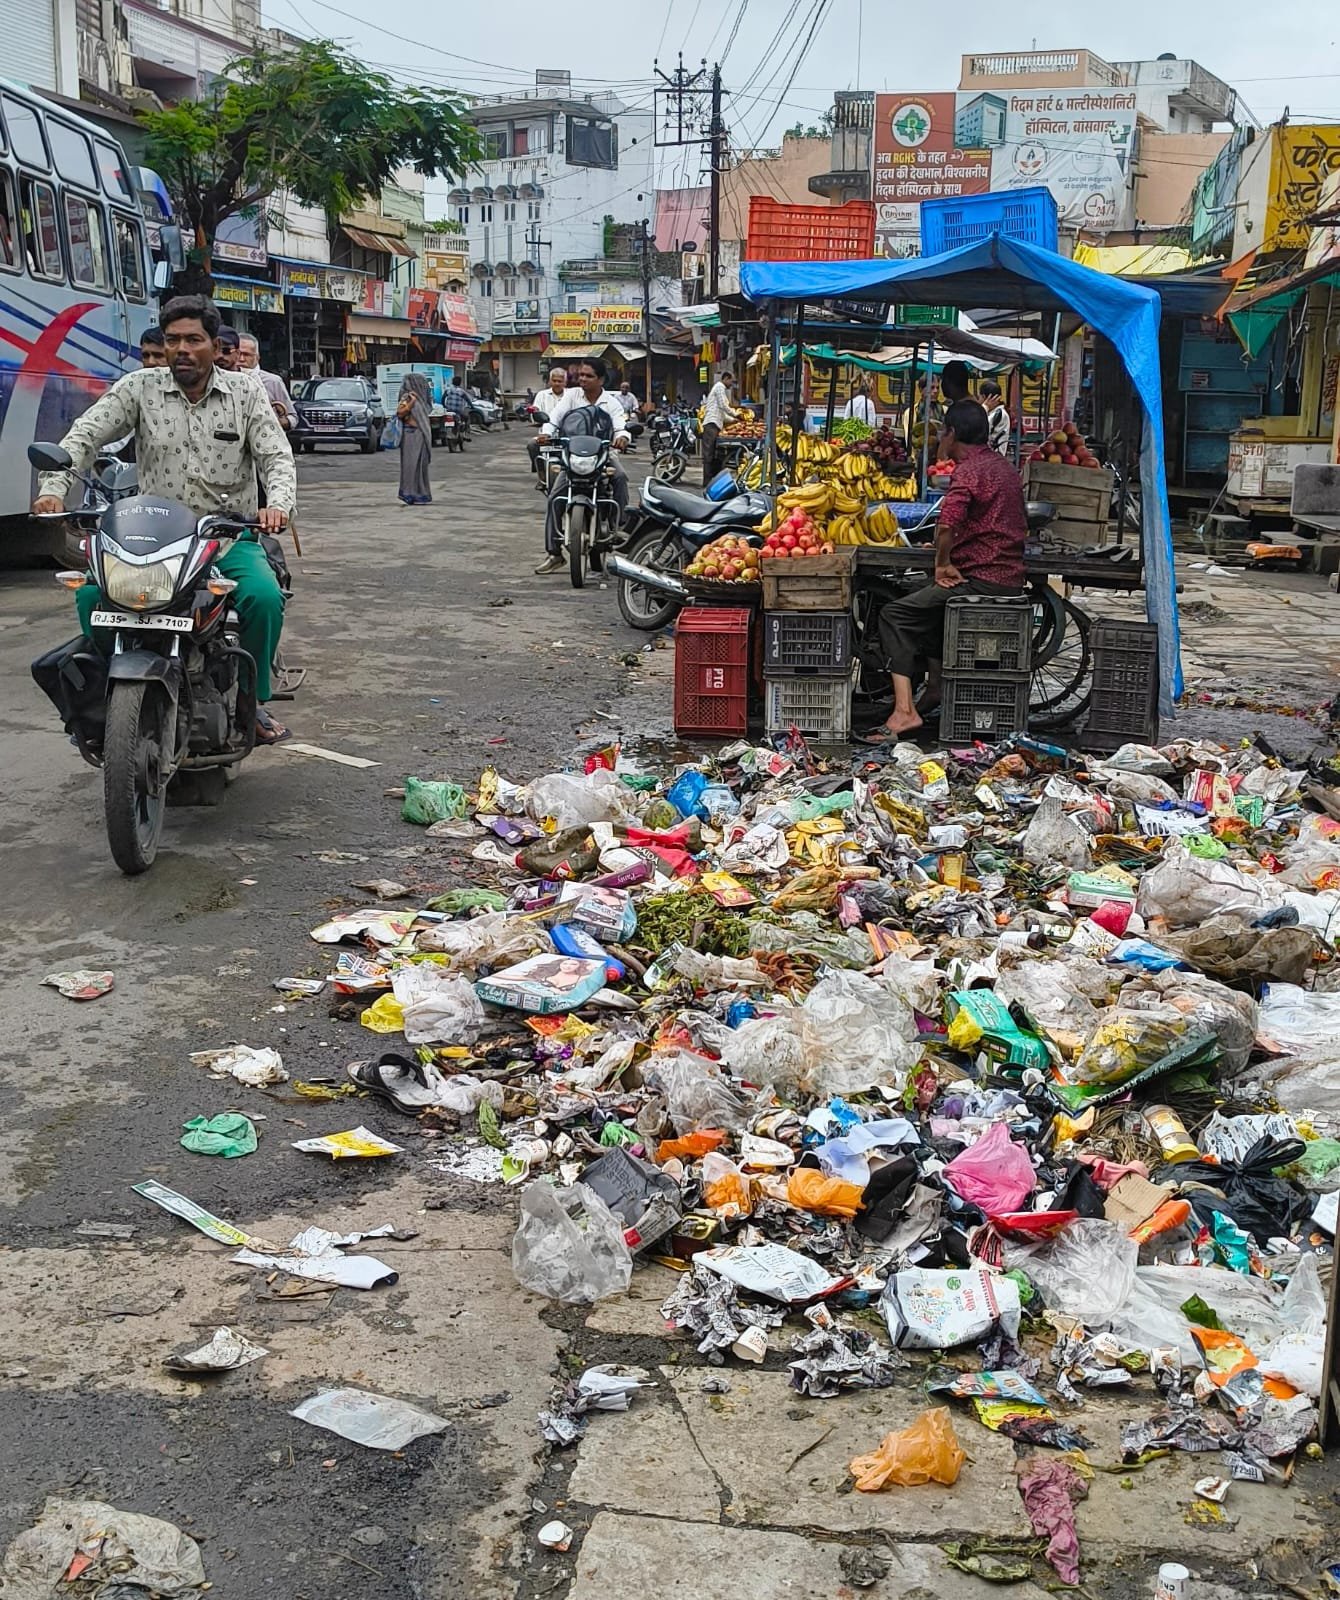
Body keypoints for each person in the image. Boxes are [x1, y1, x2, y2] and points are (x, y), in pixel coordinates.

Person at [31, 293, 297, 744]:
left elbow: (277, 457)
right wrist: (53, 490)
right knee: (91, 595)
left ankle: (252, 702)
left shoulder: (246, 393)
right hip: (152, 539)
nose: (182, 349)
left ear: (215, 345)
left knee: (264, 597)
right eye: (173, 339)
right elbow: (87, 434)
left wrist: (278, 506)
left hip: (225, 538)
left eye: (194, 339)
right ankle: (109, 691)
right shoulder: (140, 387)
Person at [869, 400, 1028, 741]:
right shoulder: (1004, 467)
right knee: (924, 605)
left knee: (895, 615)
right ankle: (936, 687)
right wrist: (949, 553)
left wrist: (942, 563)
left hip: (983, 579)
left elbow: (947, 525)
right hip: (1006, 574)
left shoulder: (968, 471)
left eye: (943, 430)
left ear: (952, 434)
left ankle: (904, 711)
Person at [534, 355, 630, 575]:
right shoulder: (571, 397)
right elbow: (554, 419)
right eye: (581, 375)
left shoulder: (611, 403)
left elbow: (620, 425)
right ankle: (554, 553)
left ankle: (619, 527)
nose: (583, 379)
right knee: (555, 497)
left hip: (603, 455)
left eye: (589, 376)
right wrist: (546, 434)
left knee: (621, 477)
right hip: (573, 457)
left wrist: (623, 436)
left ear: (601, 380)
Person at [238, 333, 297, 431]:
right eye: (238, 354)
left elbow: (293, 418)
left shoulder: (272, 381)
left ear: (257, 357)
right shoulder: (223, 380)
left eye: (247, 354)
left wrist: (281, 422)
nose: (241, 359)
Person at [528, 367, 572, 486]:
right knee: (532, 445)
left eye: (560, 381)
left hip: (568, 436)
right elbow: (536, 412)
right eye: (554, 380)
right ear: (550, 381)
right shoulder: (541, 395)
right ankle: (541, 474)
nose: (557, 383)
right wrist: (535, 413)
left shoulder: (572, 395)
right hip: (546, 436)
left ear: (565, 382)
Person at [396, 373, 434, 505]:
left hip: (420, 435)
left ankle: (421, 493)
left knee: (420, 466)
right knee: (410, 465)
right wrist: (412, 402)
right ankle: (409, 493)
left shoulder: (422, 399)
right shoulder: (407, 397)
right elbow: (400, 413)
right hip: (410, 435)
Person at [700, 368, 738, 487]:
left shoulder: (720, 389)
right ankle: (706, 482)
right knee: (708, 454)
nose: (731, 385)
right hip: (711, 424)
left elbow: (722, 413)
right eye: (731, 381)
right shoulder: (719, 387)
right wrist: (736, 414)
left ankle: (711, 479)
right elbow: (723, 406)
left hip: (715, 424)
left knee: (713, 454)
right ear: (726, 379)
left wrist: (734, 420)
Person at [982, 380, 1011, 456]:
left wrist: (985, 407)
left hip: (994, 456)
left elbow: (977, 427)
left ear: (984, 397)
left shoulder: (999, 414)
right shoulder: (994, 413)